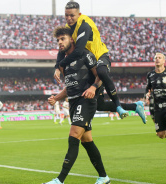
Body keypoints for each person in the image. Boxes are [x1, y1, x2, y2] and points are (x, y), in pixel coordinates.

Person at [43, 27, 110, 184]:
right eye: (58, 40)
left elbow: (100, 75)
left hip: (85, 100)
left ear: (71, 39)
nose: (59, 42)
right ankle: (104, 177)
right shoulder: (64, 63)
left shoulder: (85, 55)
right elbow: (70, 86)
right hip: (73, 102)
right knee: (87, 141)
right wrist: (57, 98)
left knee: (73, 137)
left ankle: (60, 180)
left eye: (63, 39)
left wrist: (93, 87)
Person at [53, 1, 128, 120]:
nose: (69, 18)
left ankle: (118, 105)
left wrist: (61, 64)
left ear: (79, 14)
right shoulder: (68, 28)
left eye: (72, 15)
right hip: (88, 60)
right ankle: (135, 106)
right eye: (66, 15)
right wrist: (57, 67)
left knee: (102, 73)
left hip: (100, 56)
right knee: (100, 105)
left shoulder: (84, 24)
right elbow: (62, 49)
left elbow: (78, 51)